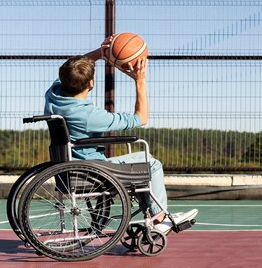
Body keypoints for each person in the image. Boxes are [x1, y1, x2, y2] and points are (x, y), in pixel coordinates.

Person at [44, 36, 197, 234]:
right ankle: (160, 219)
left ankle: (152, 215)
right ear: (91, 83)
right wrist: (140, 81)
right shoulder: (91, 116)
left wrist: (100, 54)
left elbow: (70, 69)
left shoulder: (54, 94)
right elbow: (141, 118)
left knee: (140, 165)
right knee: (151, 163)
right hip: (92, 170)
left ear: (63, 78)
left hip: (68, 166)